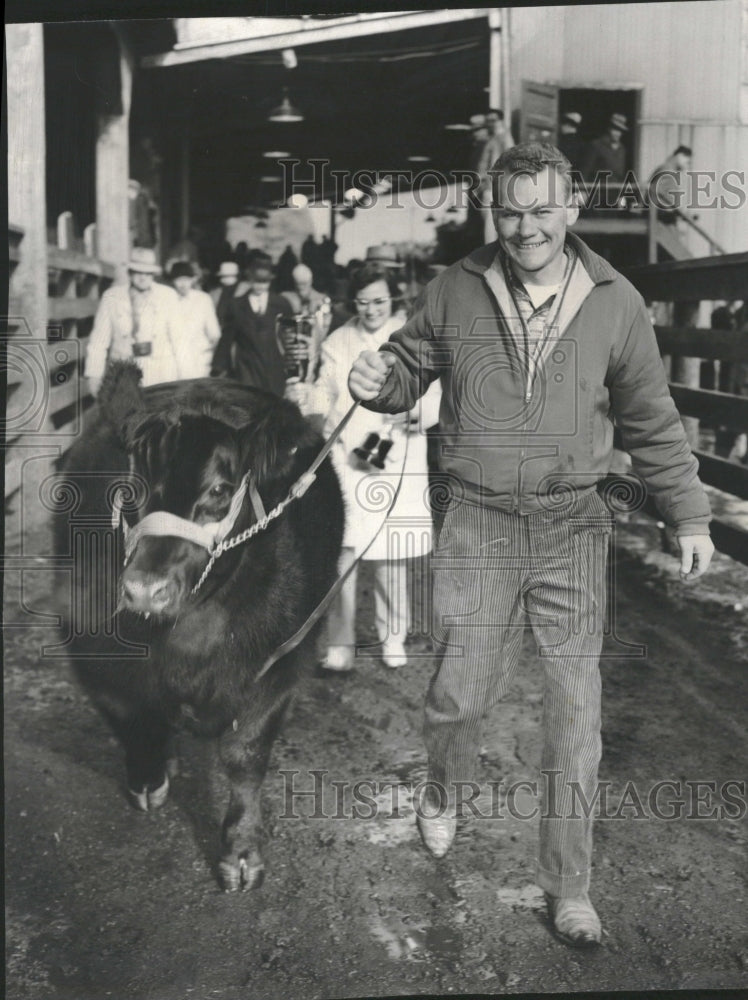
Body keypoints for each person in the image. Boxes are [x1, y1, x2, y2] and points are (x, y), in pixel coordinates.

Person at [347, 143, 713, 948]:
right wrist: (378, 383)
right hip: (477, 522)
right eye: (510, 211)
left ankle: (569, 885)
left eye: (542, 209)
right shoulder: (456, 287)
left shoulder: (616, 301)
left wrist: (688, 514)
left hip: (571, 525)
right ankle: (441, 791)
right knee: (458, 698)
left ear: (570, 208)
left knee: (576, 716)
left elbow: (651, 418)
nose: (526, 227)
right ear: (495, 213)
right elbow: (409, 366)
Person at [287, 262, 441, 671]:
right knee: (345, 554)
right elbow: (324, 388)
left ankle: (394, 637)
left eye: (379, 300)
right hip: (350, 457)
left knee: (392, 555)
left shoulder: (414, 334)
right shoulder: (339, 339)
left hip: (399, 455)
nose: (370, 309)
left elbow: (436, 388)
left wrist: (422, 412)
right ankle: (341, 643)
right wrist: (305, 402)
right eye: (362, 302)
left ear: (394, 297)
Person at [84, 246, 180, 395]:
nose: (143, 277)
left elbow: (180, 341)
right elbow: (98, 341)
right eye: (138, 272)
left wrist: (186, 378)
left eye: (148, 273)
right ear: (130, 272)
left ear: (153, 274)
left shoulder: (168, 296)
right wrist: (94, 375)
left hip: (161, 374)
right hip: (125, 374)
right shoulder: (112, 297)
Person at [211, 258, 294, 395]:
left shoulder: (281, 304)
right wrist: (218, 366)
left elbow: (290, 336)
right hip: (247, 367)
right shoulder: (236, 305)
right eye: (256, 281)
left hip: (274, 366)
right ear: (249, 280)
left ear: (270, 280)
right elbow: (226, 339)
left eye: (265, 282)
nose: (260, 286)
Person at [169, 261, 221, 379]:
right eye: (178, 280)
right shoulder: (168, 299)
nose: (183, 284)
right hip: (174, 361)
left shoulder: (203, 299)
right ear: (172, 281)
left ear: (193, 280)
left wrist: (207, 356)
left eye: (186, 279)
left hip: (199, 359)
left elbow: (214, 333)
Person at [648, 145, 693, 224]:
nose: (687, 166)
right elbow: (665, 203)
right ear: (680, 156)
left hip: (657, 220)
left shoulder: (662, 169)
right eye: (687, 162)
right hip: (661, 224)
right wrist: (682, 214)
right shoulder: (668, 173)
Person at [582, 112, 629, 185]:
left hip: (615, 191)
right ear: (609, 128)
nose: (617, 133)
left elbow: (621, 175)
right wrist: (583, 190)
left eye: (620, 130)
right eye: (615, 129)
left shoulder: (622, 149)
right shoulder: (596, 145)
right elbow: (585, 171)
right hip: (597, 191)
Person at [210, 261, 248, 332]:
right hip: (219, 330)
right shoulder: (215, 292)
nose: (226, 279)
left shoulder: (246, 289)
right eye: (224, 276)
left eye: (230, 276)